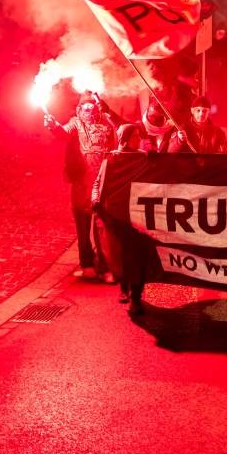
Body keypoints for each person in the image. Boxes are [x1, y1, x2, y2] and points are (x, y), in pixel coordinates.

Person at [45, 94, 117, 280]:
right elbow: (63, 132)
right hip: (81, 181)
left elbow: (117, 140)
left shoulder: (107, 122)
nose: (88, 108)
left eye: (91, 104)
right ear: (79, 107)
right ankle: (87, 264)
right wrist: (53, 125)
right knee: (82, 224)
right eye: (84, 104)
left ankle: (106, 266)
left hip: (102, 180)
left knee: (102, 225)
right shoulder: (75, 123)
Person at [93, 124, 150, 313]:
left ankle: (136, 295)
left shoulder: (144, 158)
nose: (138, 139)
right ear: (124, 138)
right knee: (124, 255)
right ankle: (124, 288)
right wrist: (95, 200)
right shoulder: (113, 158)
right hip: (120, 216)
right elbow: (98, 182)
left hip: (139, 215)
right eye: (134, 136)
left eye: (138, 136)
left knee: (139, 255)